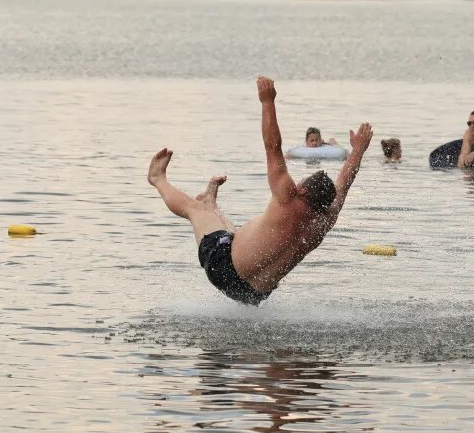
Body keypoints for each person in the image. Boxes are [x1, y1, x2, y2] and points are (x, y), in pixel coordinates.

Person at [147, 76, 373, 306]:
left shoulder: (287, 197)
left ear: (303, 190)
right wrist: (358, 151)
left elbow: (272, 147)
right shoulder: (326, 220)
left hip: (222, 268)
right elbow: (344, 183)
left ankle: (158, 179)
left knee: (194, 210)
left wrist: (267, 102)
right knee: (241, 236)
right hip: (253, 295)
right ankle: (212, 205)